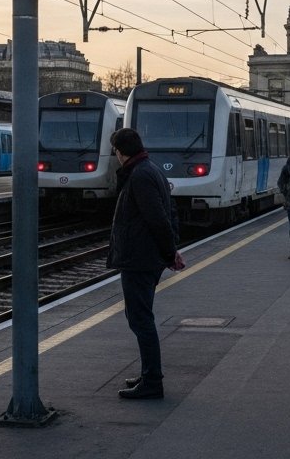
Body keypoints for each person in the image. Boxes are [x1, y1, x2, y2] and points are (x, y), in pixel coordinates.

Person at [105, 127, 186, 400]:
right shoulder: (151, 170)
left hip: (140, 258)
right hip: (144, 257)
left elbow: (158, 218)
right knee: (139, 317)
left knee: (141, 320)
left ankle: (152, 381)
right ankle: (148, 374)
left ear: (120, 151)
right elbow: (169, 212)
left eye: (115, 151)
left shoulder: (140, 175)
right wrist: (170, 251)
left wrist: (169, 253)